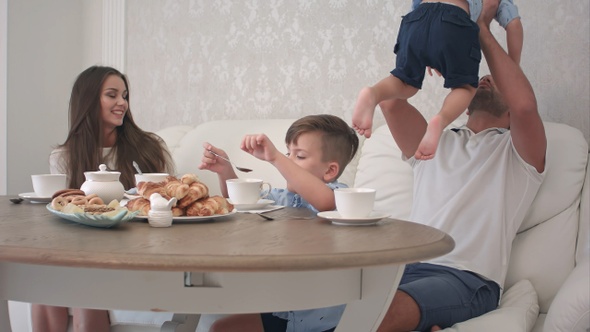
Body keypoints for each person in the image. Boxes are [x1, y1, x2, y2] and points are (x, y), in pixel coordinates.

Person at [33, 65, 175, 332]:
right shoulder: (64, 157)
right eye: (112, 95)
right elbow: (62, 213)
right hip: (80, 250)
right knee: (44, 284)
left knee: (82, 291)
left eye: (124, 95)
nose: (122, 102)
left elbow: (165, 203)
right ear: (88, 100)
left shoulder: (149, 147)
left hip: (134, 245)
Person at [198, 114, 360, 332]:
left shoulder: (341, 197)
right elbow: (241, 201)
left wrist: (276, 158)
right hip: (279, 310)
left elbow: (325, 202)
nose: (288, 162)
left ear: (330, 170)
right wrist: (225, 170)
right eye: (287, 154)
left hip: (321, 320)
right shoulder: (282, 198)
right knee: (220, 328)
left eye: (299, 156)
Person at [352, 0, 523, 160]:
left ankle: (373, 93)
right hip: (455, 20)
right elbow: (514, 24)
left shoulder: (514, 146)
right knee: (464, 88)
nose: (487, 80)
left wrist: (427, 47)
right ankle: (440, 120)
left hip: (417, 19)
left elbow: (418, 7)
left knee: (404, 81)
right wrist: (513, 67)